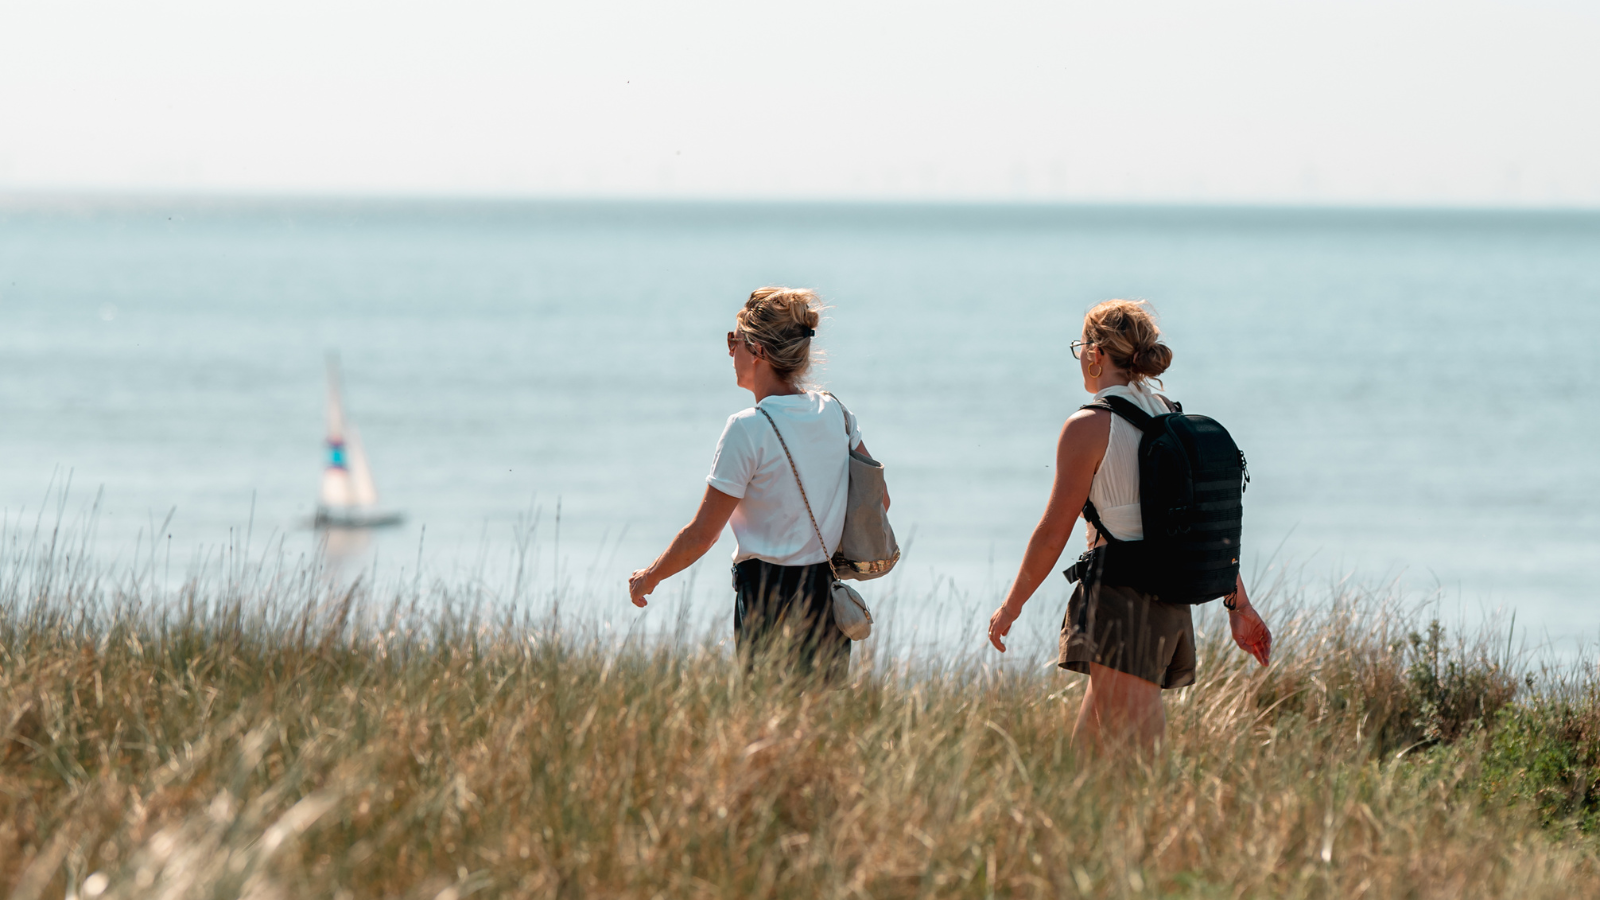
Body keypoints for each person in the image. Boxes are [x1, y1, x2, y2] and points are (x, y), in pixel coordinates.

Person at [986, 299, 1272, 752]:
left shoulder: (1089, 425)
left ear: (1096, 353)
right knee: (1089, 755)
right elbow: (1197, 525)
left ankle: (1170, 824)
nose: (1080, 356)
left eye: (1081, 346)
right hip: (1168, 592)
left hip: (1121, 595)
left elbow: (1052, 531)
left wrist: (1011, 606)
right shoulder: (1169, 414)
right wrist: (1238, 604)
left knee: (1138, 755)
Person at [629, 287, 884, 682]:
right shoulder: (836, 412)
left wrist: (650, 577)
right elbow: (878, 500)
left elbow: (702, 535)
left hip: (768, 599)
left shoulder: (747, 428)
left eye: (734, 341)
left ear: (758, 350)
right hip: (827, 597)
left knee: (767, 727)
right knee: (821, 731)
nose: (730, 352)